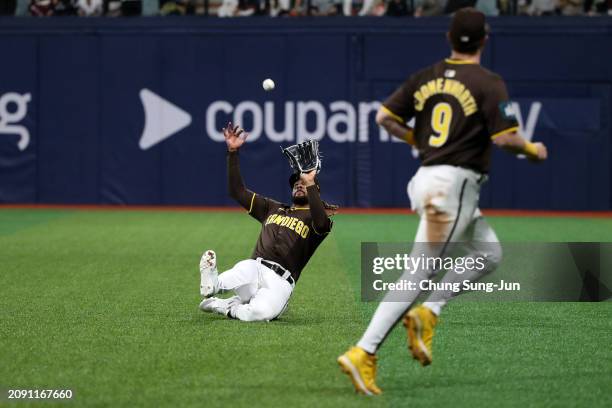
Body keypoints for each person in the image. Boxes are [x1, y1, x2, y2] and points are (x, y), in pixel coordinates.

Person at [337, 7, 547, 395]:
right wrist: (534, 149)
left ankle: (429, 312)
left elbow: (384, 117)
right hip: (454, 186)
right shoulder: (488, 82)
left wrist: (417, 139)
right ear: (485, 39)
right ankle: (362, 353)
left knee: (489, 253)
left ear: (449, 39)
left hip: (428, 181)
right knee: (416, 274)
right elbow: (505, 139)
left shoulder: (426, 77)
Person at [198, 122, 336, 322]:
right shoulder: (272, 208)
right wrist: (233, 152)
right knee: (243, 269)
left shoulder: (316, 219)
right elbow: (237, 192)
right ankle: (213, 283)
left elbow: (322, 225)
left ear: (315, 189)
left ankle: (226, 306)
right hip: (255, 269)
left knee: (258, 314)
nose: (299, 184)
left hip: (280, 282)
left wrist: (310, 182)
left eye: (303, 184)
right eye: (296, 184)